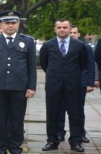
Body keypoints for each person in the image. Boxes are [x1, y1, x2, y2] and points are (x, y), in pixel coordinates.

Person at [0, 11, 36, 154]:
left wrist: (31, 86)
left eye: (13, 23)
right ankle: (1, 146)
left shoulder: (28, 41)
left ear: (18, 24)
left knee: (17, 118)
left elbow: (31, 66)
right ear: (1, 25)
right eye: (7, 23)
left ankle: (15, 146)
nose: (10, 26)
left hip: (19, 87)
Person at [40, 19, 87, 152]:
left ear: (69, 28)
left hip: (73, 85)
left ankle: (75, 141)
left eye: (65, 27)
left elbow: (82, 64)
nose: (62, 30)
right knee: (52, 114)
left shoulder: (79, 45)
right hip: (53, 85)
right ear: (55, 29)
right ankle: (52, 141)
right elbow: (44, 63)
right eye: (59, 27)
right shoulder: (48, 45)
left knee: (75, 114)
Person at [57, 25, 95, 143]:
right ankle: (59, 133)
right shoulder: (58, 46)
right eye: (71, 32)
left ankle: (80, 133)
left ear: (78, 34)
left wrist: (90, 83)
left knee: (78, 110)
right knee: (60, 109)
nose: (72, 34)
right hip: (62, 84)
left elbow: (90, 65)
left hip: (79, 83)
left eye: (75, 32)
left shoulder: (85, 47)